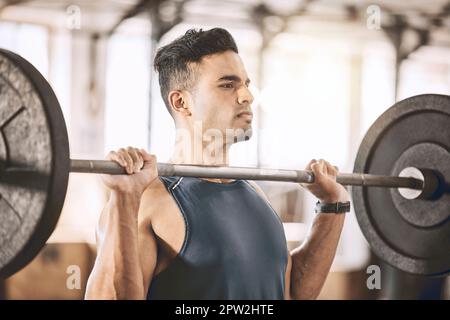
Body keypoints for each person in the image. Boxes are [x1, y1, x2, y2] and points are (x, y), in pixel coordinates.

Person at [85, 28, 350, 300]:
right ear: (181, 102)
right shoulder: (146, 200)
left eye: (246, 83)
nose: (247, 95)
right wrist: (124, 198)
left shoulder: (255, 195)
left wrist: (333, 206)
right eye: (227, 84)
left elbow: (292, 292)